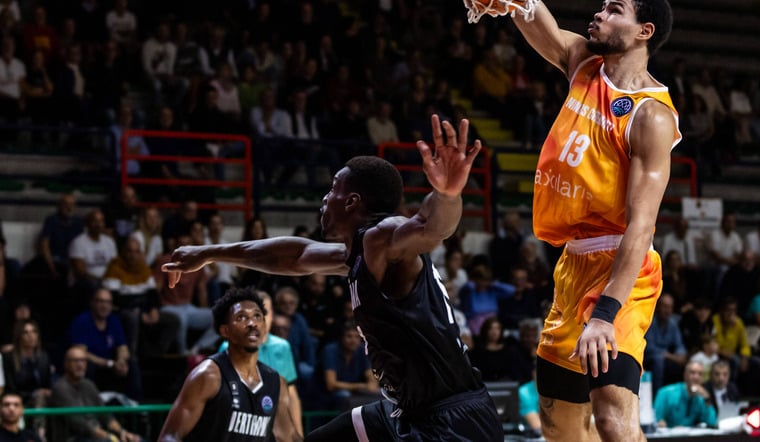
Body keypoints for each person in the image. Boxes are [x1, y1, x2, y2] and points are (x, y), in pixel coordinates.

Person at [161, 116, 503, 440]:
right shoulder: (357, 255)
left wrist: (447, 195)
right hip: (408, 411)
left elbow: (431, 228)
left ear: (352, 201)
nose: (325, 199)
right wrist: (208, 253)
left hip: (454, 423)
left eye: (332, 190)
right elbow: (293, 256)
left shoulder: (383, 236)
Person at [511, 0, 678, 441]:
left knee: (611, 420)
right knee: (560, 428)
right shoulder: (583, 61)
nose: (599, 14)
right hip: (571, 265)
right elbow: (527, 12)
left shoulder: (652, 116)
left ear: (644, 31)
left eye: (614, 9)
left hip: (624, 269)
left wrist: (605, 313)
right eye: (602, 6)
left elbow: (641, 226)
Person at [157, 287, 300, 442]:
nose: (252, 323)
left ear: (265, 326)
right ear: (225, 331)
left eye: (257, 316)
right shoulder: (208, 376)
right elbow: (169, 437)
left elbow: (288, 437)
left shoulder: (275, 382)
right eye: (241, 318)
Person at [49, 345, 140, 442]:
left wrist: (123, 433)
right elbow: (78, 423)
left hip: (96, 436)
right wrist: (111, 437)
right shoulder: (60, 388)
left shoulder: (89, 385)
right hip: (74, 438)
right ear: (66, 364)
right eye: (75, 361)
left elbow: (105, 415)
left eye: (83, 361)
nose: (80, 365)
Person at [320, 321, 378, 411]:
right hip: (326, 393)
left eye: (356, 337)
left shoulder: (362, 350)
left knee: (382, 393)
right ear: (341, 338)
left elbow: (371, 377)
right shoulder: (330, 350)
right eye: (349, 336)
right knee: (345, 395)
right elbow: (331, 385)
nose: (353, 341)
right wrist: (361, 386)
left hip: (352, 390)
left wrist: (372, 384)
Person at [652, 361, 717, 429]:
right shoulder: (666, 393)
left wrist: (707, 398)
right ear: (685, 375)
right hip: (668, 436)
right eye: (692, 372)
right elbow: (656, 419)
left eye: (700, 374)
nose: (696, 377)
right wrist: (661, 424)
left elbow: (712, 423)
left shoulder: (701, 398)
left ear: (703, 378)